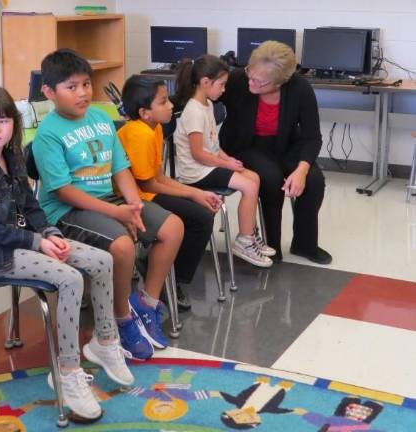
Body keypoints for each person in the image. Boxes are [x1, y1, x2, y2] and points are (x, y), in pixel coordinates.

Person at [0, 85, 133, 421]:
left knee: (102, 259)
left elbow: (32, 207)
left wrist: (49, 232)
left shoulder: (13, 157)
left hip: (21, 241)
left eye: (3, 121)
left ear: (13, 126)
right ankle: (67, 369)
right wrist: (38, 243)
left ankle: (105, 341)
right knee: (69, 277)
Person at [32, 49, 184, 360]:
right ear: (49, 92)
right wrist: (118, 213)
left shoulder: (101, 118)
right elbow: (62, 192)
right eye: (71, 87)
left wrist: (133, 206)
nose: (82, 93)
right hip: (67, 211)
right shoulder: (47, 134)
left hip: (108, 200)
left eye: (86, 84)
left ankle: (147, 304)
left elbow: (120, 169)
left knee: (173, 227)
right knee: (123, 245)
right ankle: (121, 319)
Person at [218, 41, 332, 264]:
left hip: (285, 144)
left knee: (314, 180)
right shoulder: (238, 80)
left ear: (281, 81)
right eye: (250, 73)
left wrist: (301, 169)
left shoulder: (300, 88)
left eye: (259, 81)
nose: (250, 81)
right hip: (245, 145)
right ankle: (271, 246)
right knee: (270, 179)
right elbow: (204, 94)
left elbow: (312, 137)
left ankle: (304, 244)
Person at [117, 75, 222, 311]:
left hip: (148, 190)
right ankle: (169, 277)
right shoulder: (139, 133)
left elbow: (159, 177)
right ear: (145, 112)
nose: (171, 106)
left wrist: (193, 192)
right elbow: (148, 185)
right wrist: (192, 194)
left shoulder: (154, 128)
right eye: (163, 102)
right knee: (201, 217)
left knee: (203, 210)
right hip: (135, 197)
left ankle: (165, 268)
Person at [173, 54, 275, 268]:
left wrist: (228, 159)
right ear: (205, 83)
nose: (224, 90)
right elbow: (197, 154)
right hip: (195, 173)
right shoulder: (193, 111)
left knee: (254, 177)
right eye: (221, 85)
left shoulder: (208, 105)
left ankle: (249, 234)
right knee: (247, 185)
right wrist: (226, 165)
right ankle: (244, 242)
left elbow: (213, 145)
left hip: (207, 165)